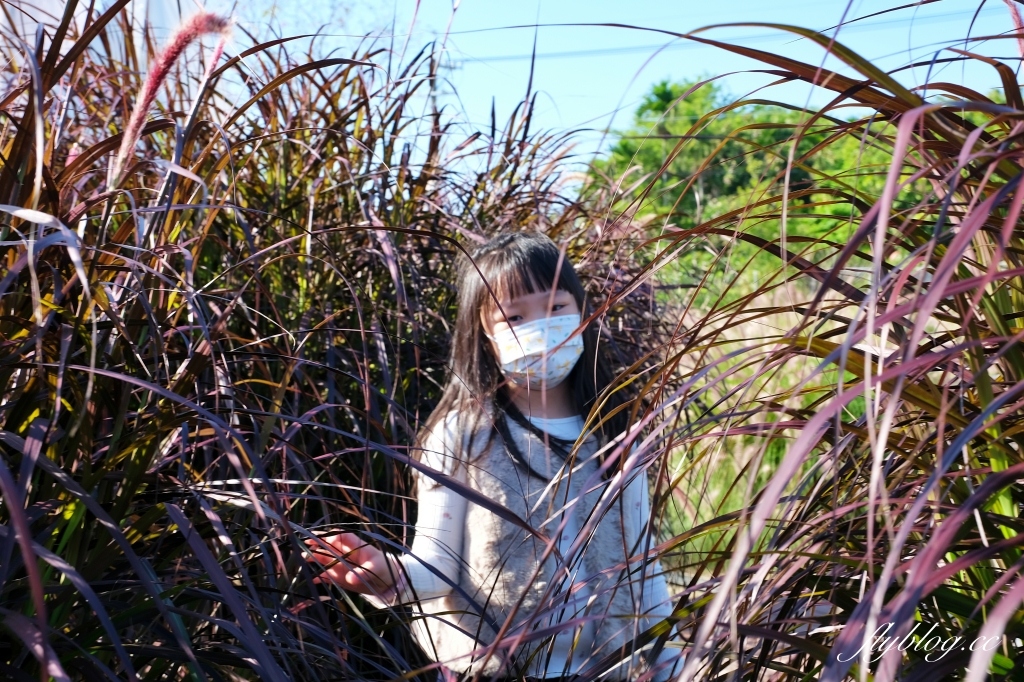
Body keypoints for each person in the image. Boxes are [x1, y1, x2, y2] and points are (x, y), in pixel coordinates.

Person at [306, 232, 683, 682]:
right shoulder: (463, 434)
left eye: (556, 307)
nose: (541, 326)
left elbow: (641, 563)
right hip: (493, 671)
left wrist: (671, 665)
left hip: (606, 671)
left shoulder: (616, 428)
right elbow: (435, 569)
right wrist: (385, 575)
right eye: (515, 316)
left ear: (582, 310)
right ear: (485, 331)